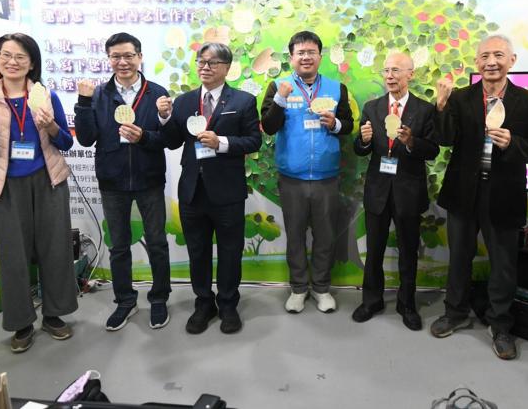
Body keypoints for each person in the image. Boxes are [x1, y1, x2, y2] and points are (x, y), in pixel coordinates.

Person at [430, 34, 528, 360]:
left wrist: (513, 143)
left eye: (498, 55)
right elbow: (444, 139)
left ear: (512, 60)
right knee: (459, 258)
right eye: (484, 56)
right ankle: (455, 312)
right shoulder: (460, 98)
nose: (491, 62)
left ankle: (501, 326)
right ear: (477, 62)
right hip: (462, 193)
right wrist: (440, 106)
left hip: (505, 194)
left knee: (504, 265)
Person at [0, 33, 78, 353]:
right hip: (5, 188)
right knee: (12, 256)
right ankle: (21, 323)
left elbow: (66, 142)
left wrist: (51, 126)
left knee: (55, 250)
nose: (11, 62)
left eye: (20, 57)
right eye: (5, 55)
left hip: (48, 182)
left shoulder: (45, 95)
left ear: (32, 63)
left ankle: (54, 315)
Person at [156, 42, 261, 335]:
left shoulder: (243, 101)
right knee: (197, 251)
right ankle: (204, 303)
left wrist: (222, 143)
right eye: (201, 61)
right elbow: (172, 141)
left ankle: (227, 304)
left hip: (227, 192)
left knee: (230, 251)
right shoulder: (185, 101)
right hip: (192, 191)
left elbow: (253, 141)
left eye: (212, 62)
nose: (205, 67)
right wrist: (165, 118)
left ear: (227, 67)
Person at [74, 32, 172, 332]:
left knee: (157, 242)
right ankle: (125, 301)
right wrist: (83, 102)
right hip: (112, 180)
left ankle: (159, 299)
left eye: (129, 55)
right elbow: (87, 138)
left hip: (149, 178)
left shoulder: (157, 93)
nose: (123, 61)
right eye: (116, 56)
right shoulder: (98, 95)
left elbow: (168, 140)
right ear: (109, 59)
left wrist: (147, 134)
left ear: (140, 57)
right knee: (118, 246)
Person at [260, 31, 354, 314]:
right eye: (300, 52)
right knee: (295, 235)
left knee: (325, 236)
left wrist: (335, 123)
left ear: (320, 57)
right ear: (291, 57)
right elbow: (269, 126)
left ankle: (322, 289)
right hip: (292, 178)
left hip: (326, 177)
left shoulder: (337, 88)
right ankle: (298, 288)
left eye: (311, 52)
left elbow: (348, 124)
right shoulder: (279, 86)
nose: (306, 57)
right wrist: (280, 99)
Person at [351, 52, 439, 331]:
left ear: (410, 74)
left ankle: (407, 304)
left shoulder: (424, 110)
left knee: (408, 252)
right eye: (386, 70)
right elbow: (360, 148)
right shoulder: (372, 107)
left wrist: (412, 141)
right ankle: (371, 301)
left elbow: (433, 150)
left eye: (396, 70)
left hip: (409, 191)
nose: (390, 76)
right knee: (374, 251)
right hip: (377, 190)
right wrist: (363, 141)